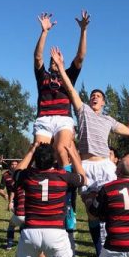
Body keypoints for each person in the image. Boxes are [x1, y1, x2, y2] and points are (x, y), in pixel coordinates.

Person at [50, 45, 129, 256]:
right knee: (91, 210)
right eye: (92, 95)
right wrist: (61, 68)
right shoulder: (83, 111)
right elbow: (70, 89)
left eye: (98, 95)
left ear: (104, 101)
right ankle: (100, 250)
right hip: (86, 166)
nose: (95, 97)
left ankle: (115, 243)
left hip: (105, 166)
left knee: (111, 207)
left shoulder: (109, 120)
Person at [32, 10, 90, 168]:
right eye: (52, 58)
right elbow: (37, 57)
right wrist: (44, 32)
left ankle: (67, 180)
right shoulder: (43, 76)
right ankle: (39, 180)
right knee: (40, 154)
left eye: (58, 58)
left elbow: (80, 57)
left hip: (63, 118)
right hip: (44, 118)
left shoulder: (68, 76)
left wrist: (83, 30)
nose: (55, 59)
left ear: (63, 62)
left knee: (61, 149)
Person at [0, 159, 19, 249]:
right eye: (12, 164)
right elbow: (0, 190)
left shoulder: (21, 173)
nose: (14, 166)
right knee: (18, 221)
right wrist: (4, 195)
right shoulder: (5, 175)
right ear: (10, 166)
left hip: (23, 200)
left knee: (17, 221)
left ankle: (10, 244)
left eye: (16, 164)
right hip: (13, 201)